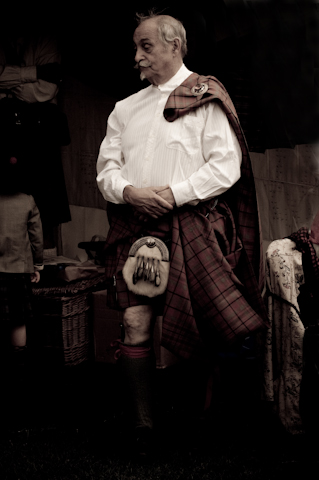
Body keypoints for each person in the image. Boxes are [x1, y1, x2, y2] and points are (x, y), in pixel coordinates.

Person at [96, 12, 268, 456]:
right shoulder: (124, 109)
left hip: (193, 224)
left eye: (146, 46)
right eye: (135, 47)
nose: (136, 56)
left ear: (175, 45)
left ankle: (207, 419)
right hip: (136, 226)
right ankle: (143, 426)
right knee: (135, 322)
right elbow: (106, 170)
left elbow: (225, 167)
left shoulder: (206, 96)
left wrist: (173, 195)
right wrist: (129, 191)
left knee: (203, 324)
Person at [0, 20, 71, 249]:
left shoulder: (45, 37)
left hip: (40, 134)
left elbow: (46, 90)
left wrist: (7, 83)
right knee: (6, 199)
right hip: (3, 129)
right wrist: (34, 73)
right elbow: (36, 87)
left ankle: (46, 269)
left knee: (45, 206)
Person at [0, 155, 43, 427]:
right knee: (18, 320)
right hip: (18, 271)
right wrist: (37, 264)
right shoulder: (28, 201)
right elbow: (36, 237)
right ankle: (19, 375)